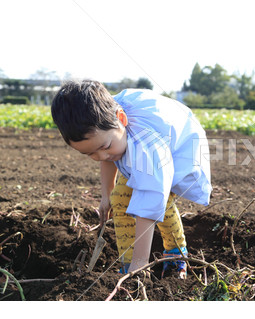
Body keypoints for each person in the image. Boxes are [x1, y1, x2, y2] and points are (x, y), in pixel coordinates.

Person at [51, 80, 212, 277]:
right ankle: (127, 265)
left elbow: (150, 201)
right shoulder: (106, 127)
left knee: (160, 200)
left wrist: (141, 262)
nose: (101, 156)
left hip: (180, 146)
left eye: (104, 147)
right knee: (119, 198)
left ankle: (175, 254)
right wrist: (105, 195)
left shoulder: (148, 148)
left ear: (121, 119)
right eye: (90, 154)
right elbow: (107, 157)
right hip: (143, 148)